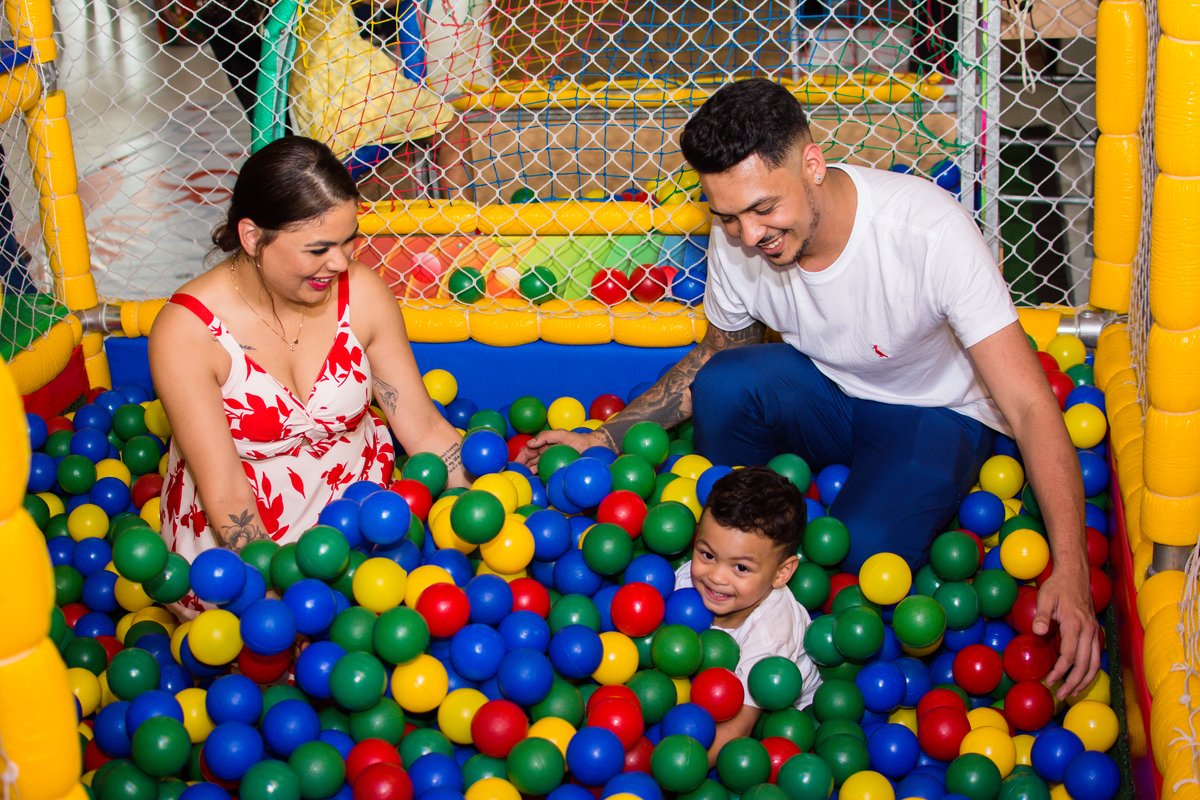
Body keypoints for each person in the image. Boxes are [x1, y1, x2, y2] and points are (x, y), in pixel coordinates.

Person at [521, 77, 1100, 699]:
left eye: (764, 209)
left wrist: (1071, 569)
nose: (748, 236)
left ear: (813, 165)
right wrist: (605, 435)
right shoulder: (740, 237)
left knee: (855, 559)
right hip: (828, 396)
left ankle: (804, 587)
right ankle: (742, 559)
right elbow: (717, 357)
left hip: (934, 412)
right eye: (728, 215)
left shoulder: (927, 232)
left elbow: (1030, 405)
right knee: (725, 385)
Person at [149, 136, 466, 592]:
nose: (339, 262)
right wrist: (275, 599)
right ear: (253, 237)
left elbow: (421, 425)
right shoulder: (188, 332)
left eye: (349, 241)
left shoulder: (362, 293)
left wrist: (471, 515)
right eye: (318, 250)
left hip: (365, 525)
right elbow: (227, 495)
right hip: (242, 544)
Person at [675, 466, 820, 764]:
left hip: (785, 714)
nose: (716, 577)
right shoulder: (689, 581)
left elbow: (738, 728)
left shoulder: (771, 634)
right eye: (707, 555)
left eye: (740, 568)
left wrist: (675, 775)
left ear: (782, 573)